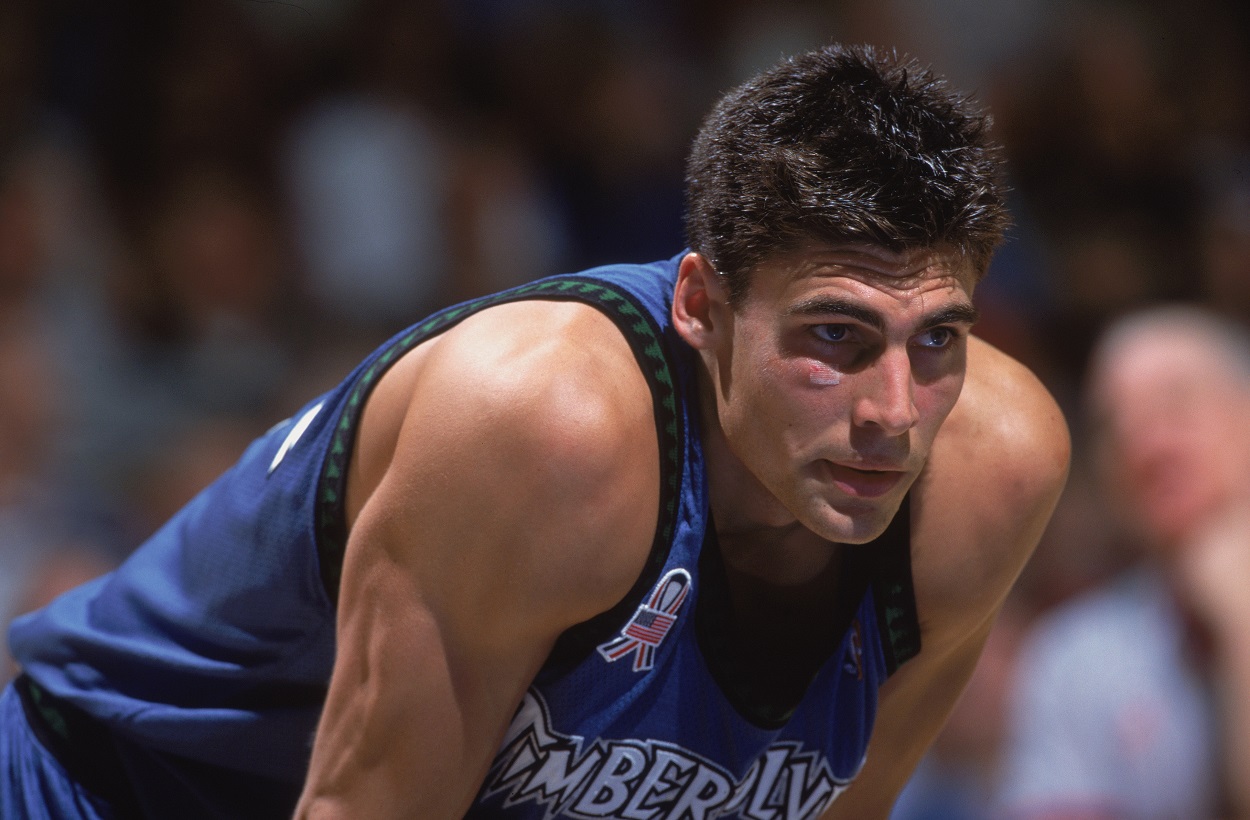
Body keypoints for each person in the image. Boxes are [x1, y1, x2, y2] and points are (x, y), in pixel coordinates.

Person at [0, 44, 1069, 819]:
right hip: (110, 785)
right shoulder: (542, 426)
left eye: (935, 340)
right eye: (834, 335)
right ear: (698, 304)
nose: (890, 411)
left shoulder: (996, 468)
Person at [996, 305, 1250, 818]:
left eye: (1175, 405)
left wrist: (1241, 621)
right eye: (1116, 426)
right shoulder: (1076, 656)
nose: (1145, 445)